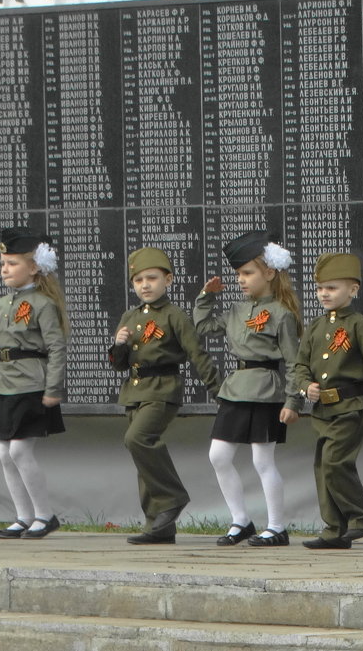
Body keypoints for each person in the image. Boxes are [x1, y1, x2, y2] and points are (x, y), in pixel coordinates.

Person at [195, 231, 305, 547]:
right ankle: (241, 520)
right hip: (235, 389)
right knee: (218, 456)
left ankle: (276, 526)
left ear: (269, 273)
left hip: (267, 391)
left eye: (248, 273)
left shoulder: (282, 314)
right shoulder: (237, 310)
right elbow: (203, 328)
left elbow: (295, 362)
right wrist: (206, 296)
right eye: (238, 274)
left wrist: (293, 401)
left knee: (262, 461)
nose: (241, 280)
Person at [291, 253, 363, 549]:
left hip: (349, 407)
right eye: (320, 289)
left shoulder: (360, 325)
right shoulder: (315, 327)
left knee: (334, 463)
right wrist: (306, 387)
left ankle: (361, 517)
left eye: (332, 288)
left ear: (353, 290)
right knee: (322, 467)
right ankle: (334, 531)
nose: (324, 294)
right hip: (322, 410)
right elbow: (300, 365)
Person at [109, 247, 219, 545]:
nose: (145, 285)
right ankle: (157, 525)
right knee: (142, 458)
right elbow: (119, 364)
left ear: (167, 280)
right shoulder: (130, 316)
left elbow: (197, 354)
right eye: (138, 280)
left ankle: (172, 497)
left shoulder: (174, 316)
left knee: (138, 440)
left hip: (162, 389)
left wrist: (219, 390)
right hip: (134, 391)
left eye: (152, 278)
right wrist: (118, 345)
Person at [0, 228, 68, 540]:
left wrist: (53, 389)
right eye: (2, 263)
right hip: (7, 385)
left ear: (33, 267)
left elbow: (56, 347)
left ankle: (45, 515)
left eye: (13, 263)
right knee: (5, 454)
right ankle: (24, 516)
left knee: (19, 451)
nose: (5, 269)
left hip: (32, 384)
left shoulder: (42, 304)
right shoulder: (1, 305)